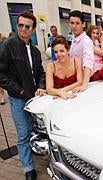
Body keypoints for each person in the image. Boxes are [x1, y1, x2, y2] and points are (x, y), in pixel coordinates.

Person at [0, 11, 45, 180]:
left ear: (33, 29)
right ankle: (28, 168)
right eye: (20, 25)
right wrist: (17, 89)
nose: (23, 29)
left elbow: (40, 72)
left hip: (35, 98)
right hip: (18, 98)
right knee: (23, 133)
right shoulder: (7, 45)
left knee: (35, 129)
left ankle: (34, 155)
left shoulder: (35, 51)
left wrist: (41, 86)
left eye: (27, 26)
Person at [46, 35, 83, 99]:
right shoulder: (51, 66)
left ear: (68, 50)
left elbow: (80, 82)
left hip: (76, 96)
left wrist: (61, 90)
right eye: (56, 52)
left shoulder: (76, 62)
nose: (59, 54)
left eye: (61, 51)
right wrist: (60, 93)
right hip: (58, 99)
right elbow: (49, 89)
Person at [69, 10, 95, 92]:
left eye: (77, 23)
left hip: (85, 80)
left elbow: (88, 62)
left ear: (83, 24)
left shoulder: (86, 41)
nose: (74, 26)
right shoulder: (74, 38)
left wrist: (84, 85)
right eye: (72, 23)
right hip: (76, 79)